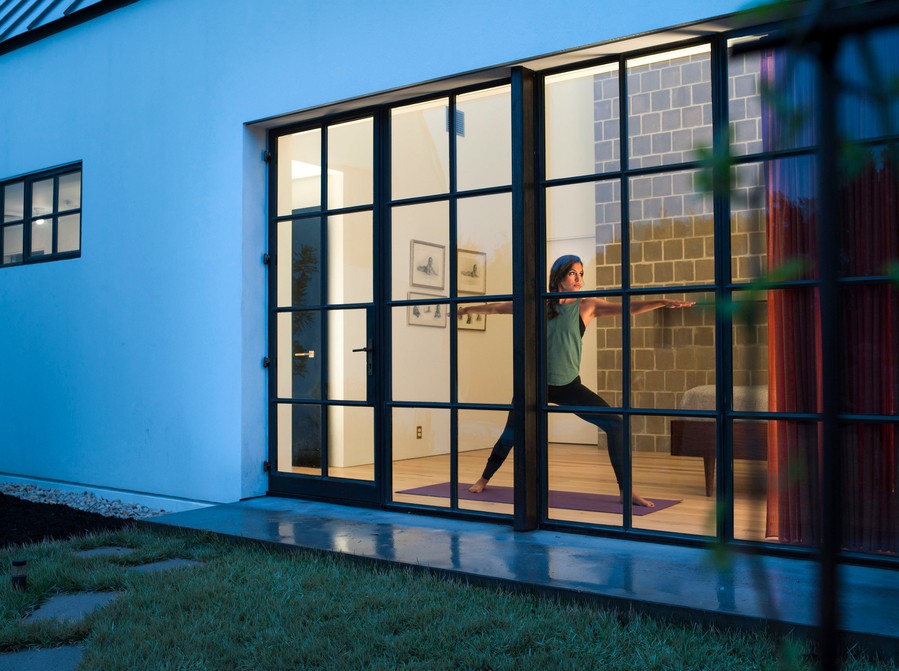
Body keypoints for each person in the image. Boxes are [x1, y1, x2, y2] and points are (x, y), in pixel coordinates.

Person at [458, 254, 695, 507]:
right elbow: (497, 307)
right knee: (511, 434)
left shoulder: (587, 305)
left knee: (616, 424)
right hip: (533, 384)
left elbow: (628, 307)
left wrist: (661, 302)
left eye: (581, 274)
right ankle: (484, 478)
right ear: (558, 276)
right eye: (573, 273)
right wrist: (465, 309)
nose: (579, 279)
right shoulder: (537, 303)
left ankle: (626, 491)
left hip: (568, 386)